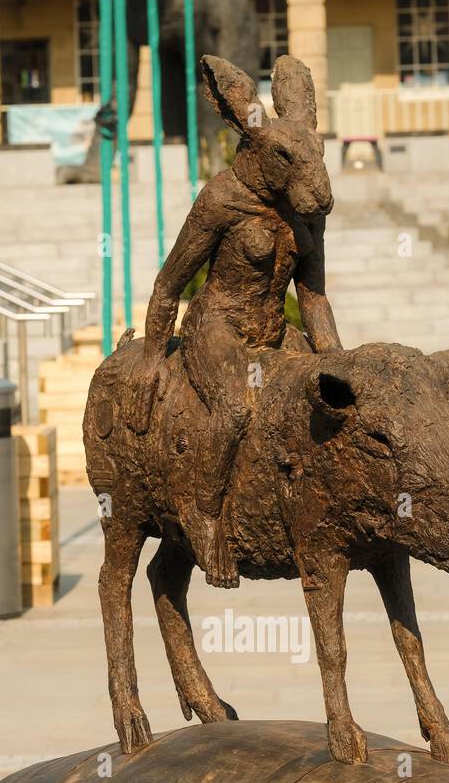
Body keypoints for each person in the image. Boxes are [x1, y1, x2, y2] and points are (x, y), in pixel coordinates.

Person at [122, 54, 342, 589]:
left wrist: (338, 360)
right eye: (290, 161)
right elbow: (169, 284)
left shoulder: (303, 211)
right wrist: (153, 355)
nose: (306, 181)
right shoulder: (221, 199)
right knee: (234, 407)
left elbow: (312, 299)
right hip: (218, 326)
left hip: (273, 330)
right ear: (259, 149)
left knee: (321, 402)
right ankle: (205, 514)